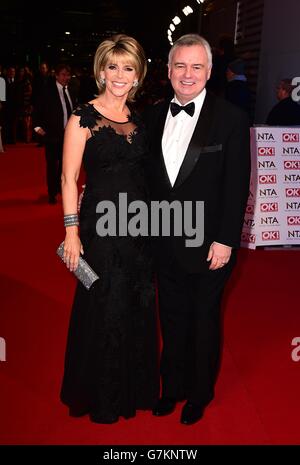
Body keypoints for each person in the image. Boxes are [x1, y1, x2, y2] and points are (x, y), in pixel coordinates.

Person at [144, 34, 251, 425]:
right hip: (163, 240)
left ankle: (199, 394)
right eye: (180, 66)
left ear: (209, 71)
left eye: (196, 66)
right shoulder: (153, 115)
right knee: (169, 316)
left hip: (210, 245)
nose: (187, 75)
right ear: (169, 70)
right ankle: (171, 387)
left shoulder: (232, 119)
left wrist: (225, 239)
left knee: (203, 318)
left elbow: (237, 185)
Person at [60, 34, 159, 424]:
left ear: (138, 75)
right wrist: (71, 231)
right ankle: (98, 394)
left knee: (134, 303)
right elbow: (68, 178)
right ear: (102, 70)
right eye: (113, 67)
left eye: (128, 68)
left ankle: (131, 390)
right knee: (101, 303)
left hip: (139, 228)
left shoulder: (140, 119)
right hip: (99, 229)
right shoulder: (82, 116)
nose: (120, 75)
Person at [33, 64, 76, 204]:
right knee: (52, 165)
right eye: (63, 74)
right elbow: (38, 109)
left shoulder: (71, 90)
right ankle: (52, 193)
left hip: (68, 135)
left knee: (65, 165)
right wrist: (37, 126)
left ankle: (59, 187)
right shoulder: (47, 91)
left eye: (68, 75)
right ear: (56, 76)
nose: (66, 78)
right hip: (52, 134)